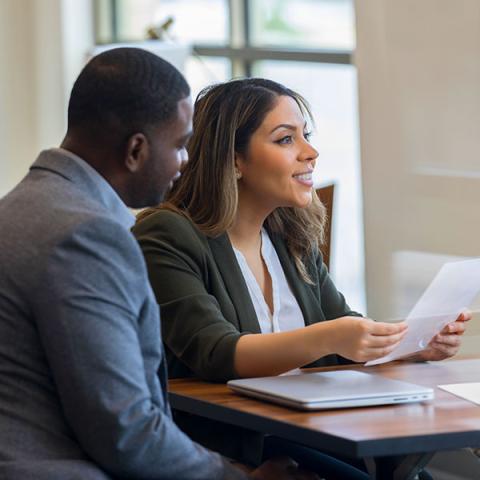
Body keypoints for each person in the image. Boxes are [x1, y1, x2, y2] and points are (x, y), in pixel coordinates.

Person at [0, 49, 316, 480]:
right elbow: (125, 432)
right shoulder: (87, 236)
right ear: (136, 149)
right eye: (180, 145)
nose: (187, 162)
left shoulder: (22, 207)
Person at [132, 78, 471, 480]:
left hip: (314, 432)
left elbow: (344, 337)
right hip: (235, 448)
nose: (310, 153)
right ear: (233, 159)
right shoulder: (167, 234)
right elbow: (216, 353)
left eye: (305, 136)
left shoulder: (290, 235)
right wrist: (332, 336)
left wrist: (412, 345)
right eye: (285, 139)